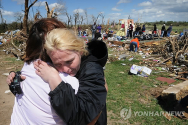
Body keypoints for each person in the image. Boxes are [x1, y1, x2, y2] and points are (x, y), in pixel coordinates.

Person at [7, 22, 108, 124]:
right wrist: (16, 78)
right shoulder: (58, 66)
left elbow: (84, 118)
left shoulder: (92, 70)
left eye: (69, 61)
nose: (65, 69)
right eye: (57, 64)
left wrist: (53, 79)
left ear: (80, 51)